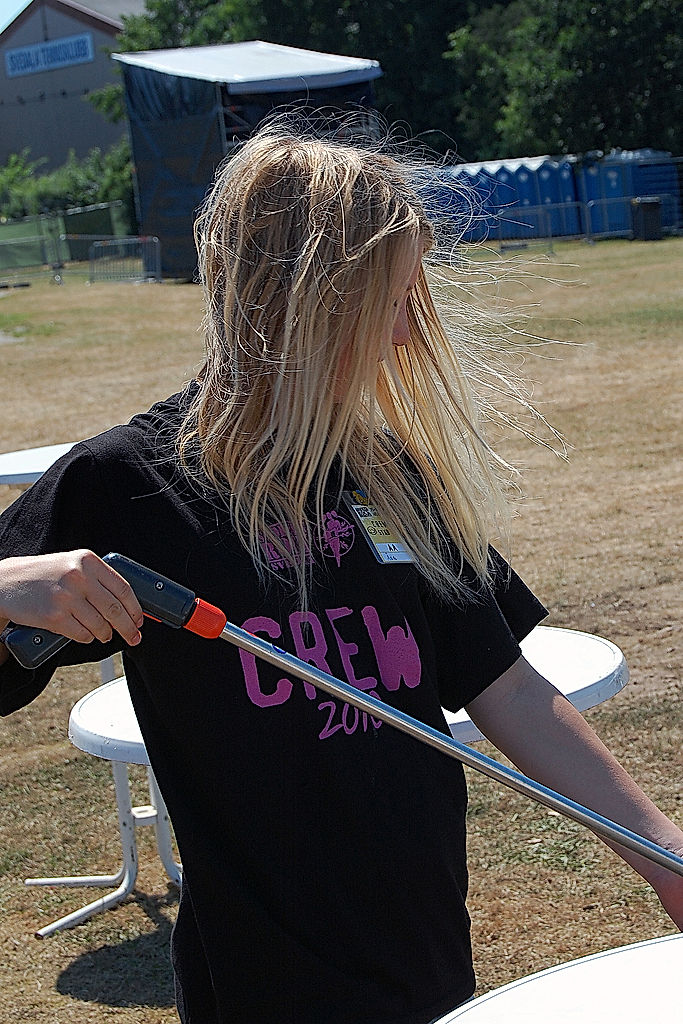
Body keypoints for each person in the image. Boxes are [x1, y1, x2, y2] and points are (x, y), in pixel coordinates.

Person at [0, 120, 681, 1024]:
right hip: (260, 985)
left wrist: (665, 856)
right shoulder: (125, 482)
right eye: (393, 300)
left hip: (424, 953)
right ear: (308, 299)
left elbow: (506, 685)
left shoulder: (393, 477)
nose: (410, 335)